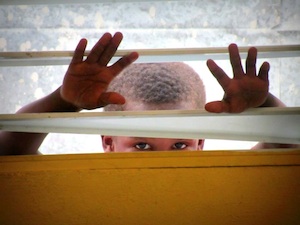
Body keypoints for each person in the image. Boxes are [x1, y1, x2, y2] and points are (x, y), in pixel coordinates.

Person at [0, 32, 291, 155]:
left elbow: (287, 149)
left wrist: (264, 103)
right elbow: (7, 152)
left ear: (201, 142)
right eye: (141, 145)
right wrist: (62, 102)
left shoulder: (216, 174)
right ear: (108, 143)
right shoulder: (87, 177)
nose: (161, 162)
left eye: (179, 146)